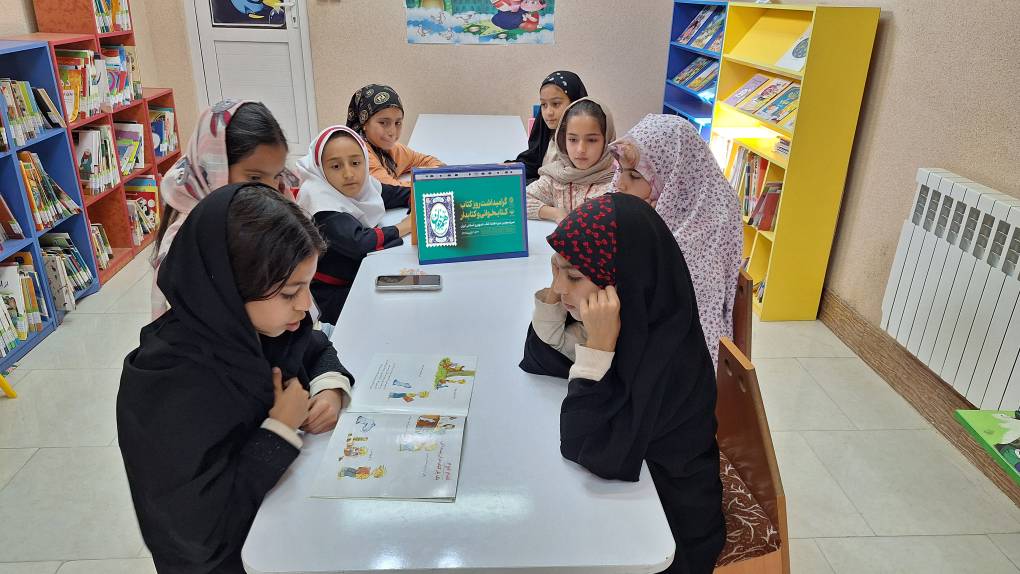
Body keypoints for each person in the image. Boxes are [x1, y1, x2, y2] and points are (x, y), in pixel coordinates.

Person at [119, 184, 353, 574]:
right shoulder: (168, 384)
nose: (305, 305)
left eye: (307, 286)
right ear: (228, 287)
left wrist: (329, 387)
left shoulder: (259, 326)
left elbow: (314, 347)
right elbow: (200, 534)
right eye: (290, 293)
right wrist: (280, 430)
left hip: (282, 524)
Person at [520, 193, 725, 574]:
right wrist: (558, 291)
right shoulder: (633, 316)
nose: (560, 285)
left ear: (623, 280)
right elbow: (539, 358)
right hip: (628, 501)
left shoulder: (664, 351)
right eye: (554, 268)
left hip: (670, 525)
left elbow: (587, 446)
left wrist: (598, 347)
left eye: (574, 276)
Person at [610, 114, 743, 365]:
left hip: (677, 362)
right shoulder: (652, 206)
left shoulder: (706, 222)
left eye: (635, 176)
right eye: (620, 171)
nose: (619, 184)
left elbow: (672, 311)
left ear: (675, 181)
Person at [151, 100, 290, 319]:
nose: (271, 190)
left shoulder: (266, 203)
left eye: (277, 175)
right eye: (255, 178)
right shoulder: (187, 238)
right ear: (214, 170)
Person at [296, 126, 413, 323]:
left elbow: (394, 194)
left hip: (359, 273)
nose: (349, 174)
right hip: (331, 293)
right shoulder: (319, 201)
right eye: (336, 166)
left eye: (356, 163)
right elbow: (359, 242)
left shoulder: (362, 183)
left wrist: (419, 196)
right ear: (320, 168)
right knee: (396, 313)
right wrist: (404, 226)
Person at [525, 97, 616, 223]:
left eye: (591, 140)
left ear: (607, 141)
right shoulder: (557, 178)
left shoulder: (616, 185)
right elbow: (519, 201)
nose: (581, 149)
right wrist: (555, 213)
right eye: (573, 139)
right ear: (563, 140)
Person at [346, 84, 443, 188]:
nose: (392, 132)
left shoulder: (392, 149)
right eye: (383, 123)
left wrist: (440, 175)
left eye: (397, 123)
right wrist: (435, 180)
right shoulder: (358, 154)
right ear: (364, 123)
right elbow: (392, 190)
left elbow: (427, 162)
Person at [508, 70, 588, 183]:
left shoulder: (582, 144)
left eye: (556, 104)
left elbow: (563, 183)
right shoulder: (548, 135)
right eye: (544, 105)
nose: (548, 112)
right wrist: (506, 170)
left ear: (574, 104)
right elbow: (532, 163)